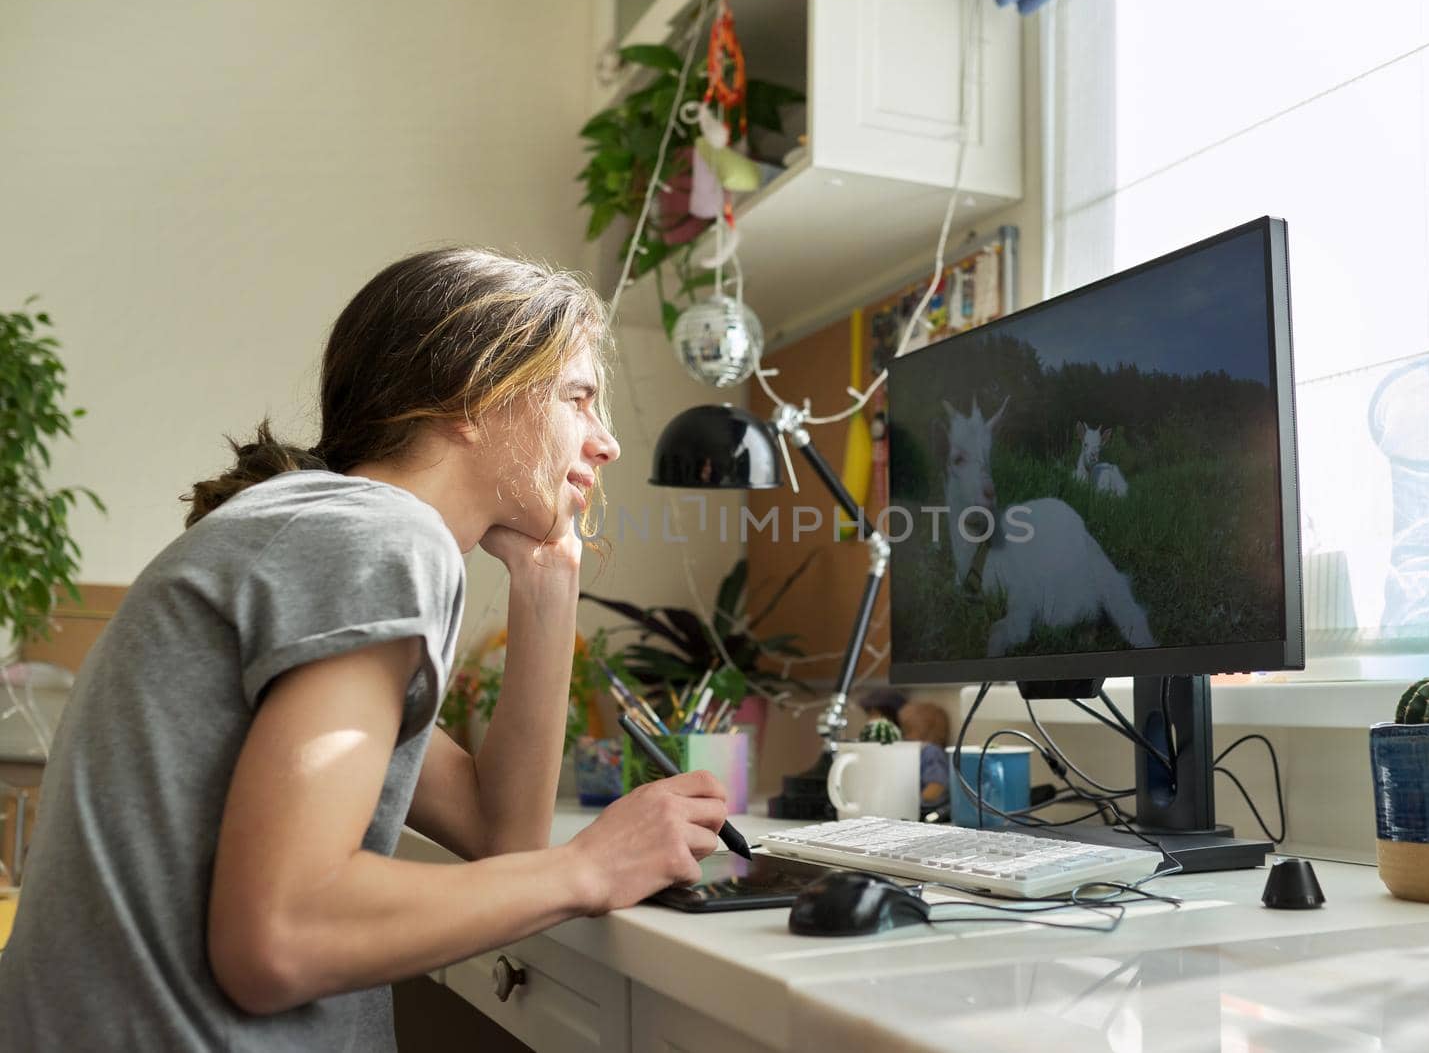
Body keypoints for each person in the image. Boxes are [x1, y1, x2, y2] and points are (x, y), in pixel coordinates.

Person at [0, 248, 730, 1051]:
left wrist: (549, 579)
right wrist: (592, 867)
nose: (606, 443)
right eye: (579, 398)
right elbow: (281, 935)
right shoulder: (377, 537)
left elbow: (502, 837)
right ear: (470, 395)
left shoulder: (325, 529)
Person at [899, 700, 952, 808]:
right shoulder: (917, 751)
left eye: (908, 730)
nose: (904, 735)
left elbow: (936, 785)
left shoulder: (931, 751)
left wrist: (913, 804)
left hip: (925, 808)